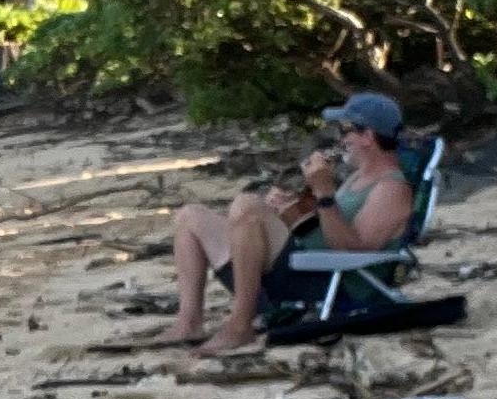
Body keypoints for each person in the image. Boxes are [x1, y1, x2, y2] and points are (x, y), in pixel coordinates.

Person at [168, 91, 415, 353]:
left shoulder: (391, 188)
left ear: (368, 136)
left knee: (247, 205)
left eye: (346, 130)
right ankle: (189, 323)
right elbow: (324, 225)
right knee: (191, 216)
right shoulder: (358, 178)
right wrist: (287, 211)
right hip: (306, 266)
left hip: (332, 281)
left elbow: (351, 248)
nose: (341, 139)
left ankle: (241, 325)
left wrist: (325, 194)